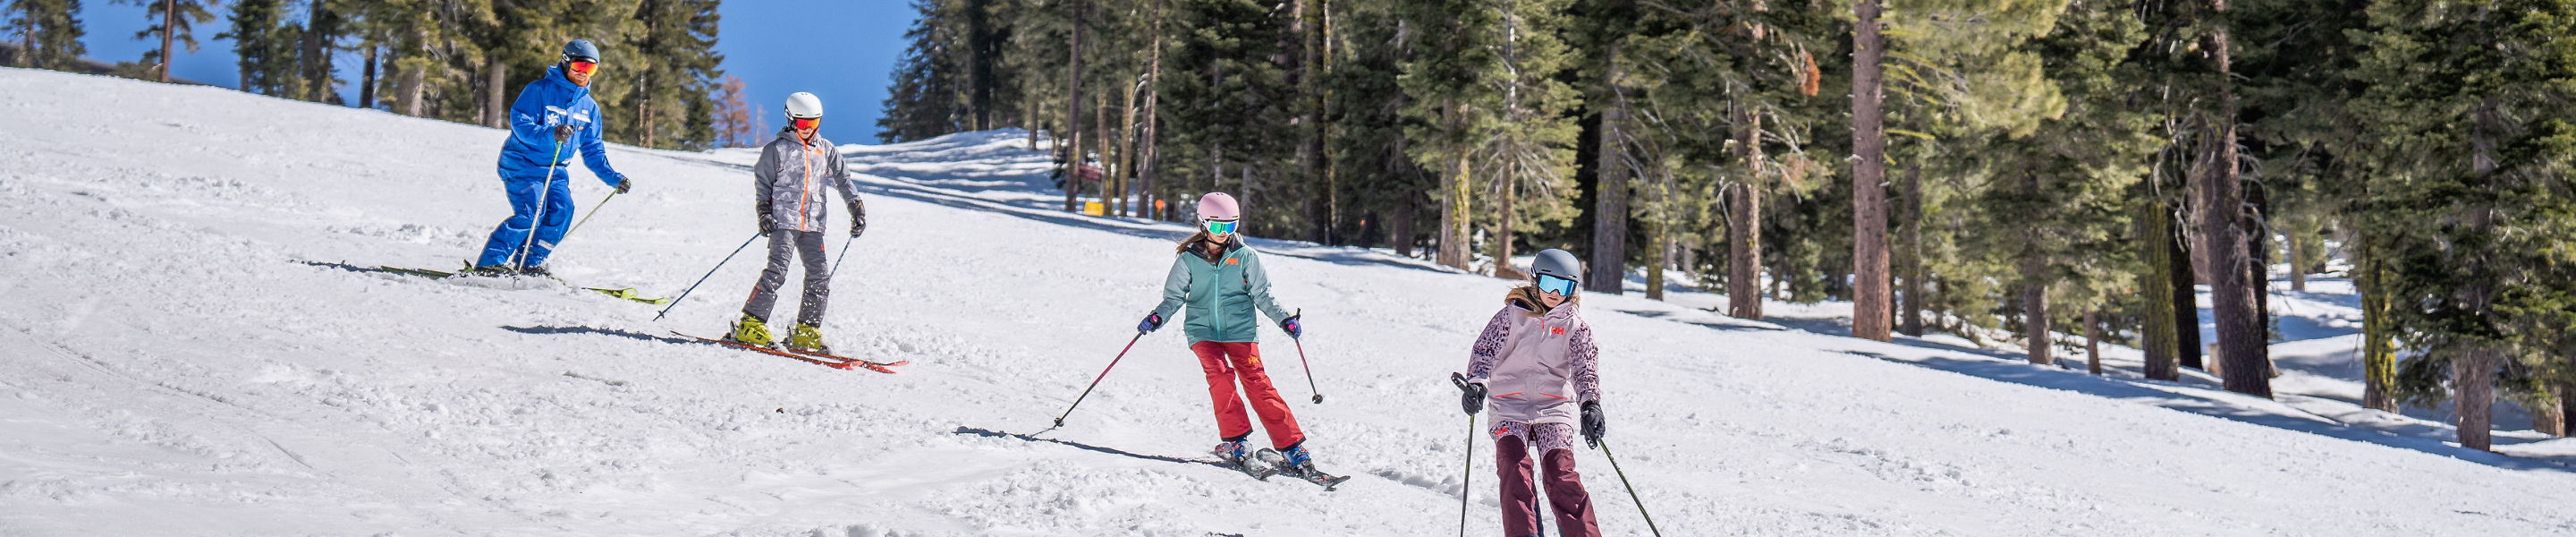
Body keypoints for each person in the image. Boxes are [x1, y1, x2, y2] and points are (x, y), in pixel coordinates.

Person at [1138, 192, 1323, 475]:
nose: (1224, 233)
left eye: (1230, 226)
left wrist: (1284, 319)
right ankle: (1237, 441)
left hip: (1240, 329)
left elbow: (1263, 294)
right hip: (1202, 330)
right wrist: (1157, 317)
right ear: (1203, 223)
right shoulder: (1189, 259)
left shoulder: (1246, 256)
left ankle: (1292, 447)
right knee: (1220, 375)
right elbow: (1174, 297)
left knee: (1257, 382)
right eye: (1218, 226)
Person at [1456, 249, 1606, 537]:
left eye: (1565, 287)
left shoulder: (1575, 326)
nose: (1556, 293)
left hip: (1553, 407)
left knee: (1561, 472)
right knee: (1514, 465)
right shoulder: (1512, 316)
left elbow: (1585, 369)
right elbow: (1485, 352)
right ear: (1536, 280)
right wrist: (1476, 384)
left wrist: (1591, 404)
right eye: (1550, 283)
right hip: (1508, 405)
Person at [471, 38, 631, 276]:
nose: (583, 73)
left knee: (562, 210)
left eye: (590, 69)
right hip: (522, 164)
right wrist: (550, 134)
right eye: (579, 66)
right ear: (566, 63)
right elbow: (520, 123)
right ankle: (489, 263)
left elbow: (594, 151)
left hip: (555, 170)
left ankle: (530, 262)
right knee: (532, 213)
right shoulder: (539, 91)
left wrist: (614, 178)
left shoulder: (589, 108)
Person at [725, 91, 867, 352]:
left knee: (820, 276)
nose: (808, 129)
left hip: (814, 224)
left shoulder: (826, 150)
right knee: (777, 271)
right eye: (803, 123)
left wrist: (856, 207)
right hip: (784, 222)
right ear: (791, 120)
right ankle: (750, 324)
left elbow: (843, 180)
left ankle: (806, 330)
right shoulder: (777, 150)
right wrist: (764, 213)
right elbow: (763, 183)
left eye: (814, 123)